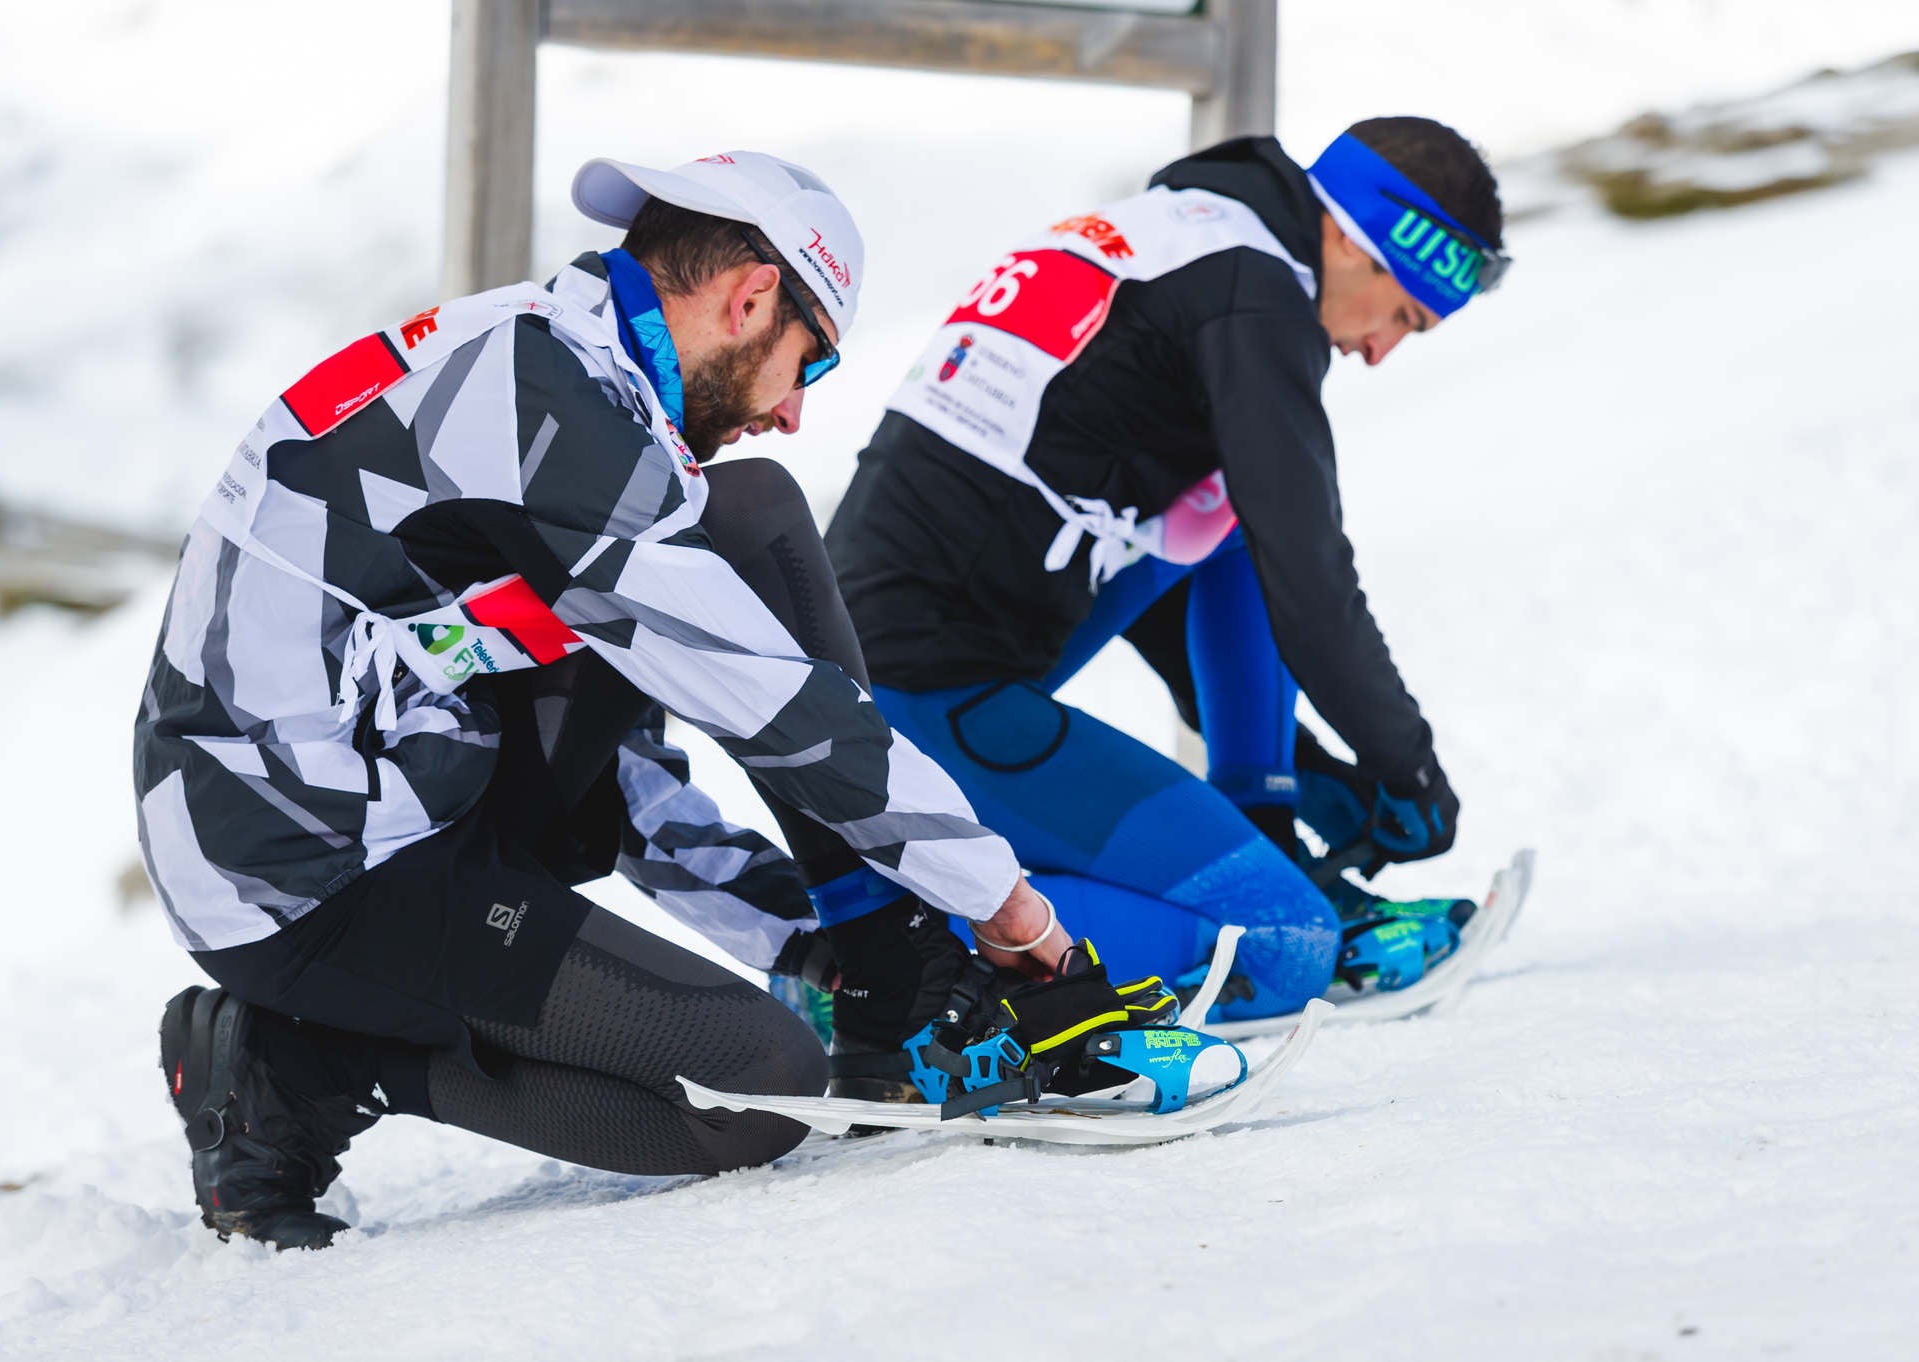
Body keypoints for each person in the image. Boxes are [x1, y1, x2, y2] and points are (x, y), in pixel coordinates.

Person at [135, 150, 1068, 1251]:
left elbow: (619, 780)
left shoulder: (567, 374)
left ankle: (882, 964)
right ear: (752, 298)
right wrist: (1003, 903)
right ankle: (292, 1065)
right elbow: (763, 696)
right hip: (292, 870)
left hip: (397, 786)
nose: (790, 414)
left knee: (751, 508)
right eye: (806, 368)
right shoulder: (540, 397)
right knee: (762, 1091)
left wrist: (817, 949)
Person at [821, 117, 1510, 1026]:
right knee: (1280, 942)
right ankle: (864, 976)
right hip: (924, 705)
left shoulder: (1192, 231)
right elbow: (1311, 581)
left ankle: (1261, 826)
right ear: (1350, 237)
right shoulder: (1253, 297)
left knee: (1221, 520)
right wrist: (1407, 771)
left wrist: (1308, 774)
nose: (1379, 351)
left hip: (877, 672)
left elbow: (1173, 559)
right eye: (1401, 316)